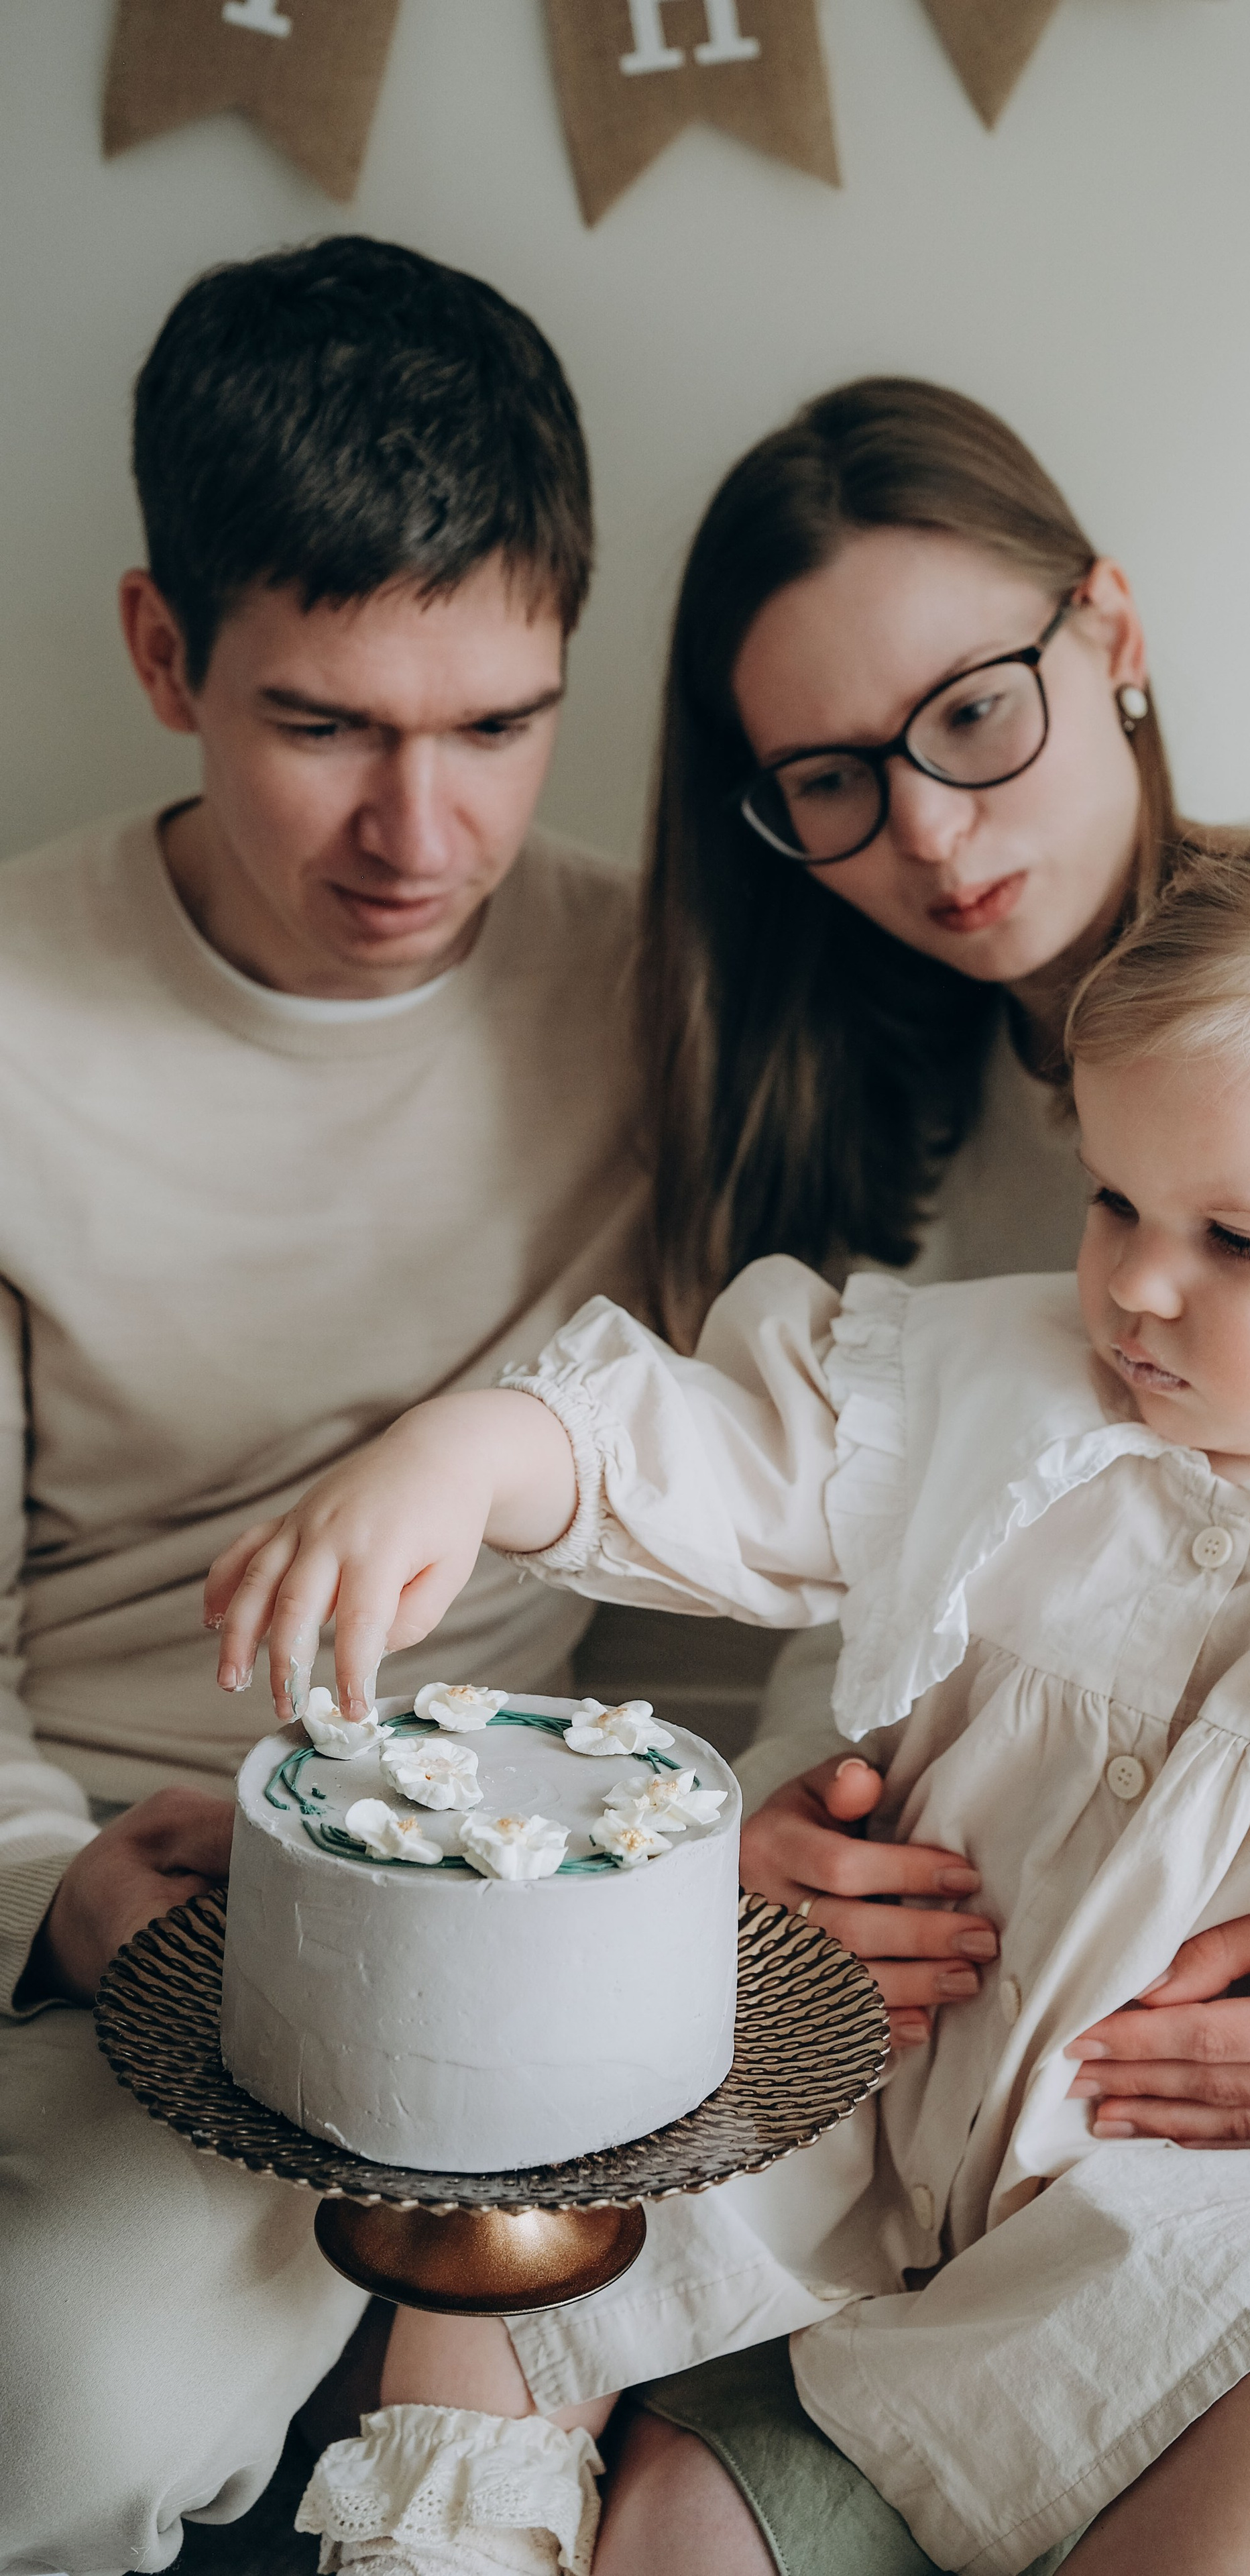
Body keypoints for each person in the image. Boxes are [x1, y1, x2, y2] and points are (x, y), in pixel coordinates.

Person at [209, 816, 1250, 2576]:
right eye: (1115, 1201)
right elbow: (723, 1457)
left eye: (1235, 1238)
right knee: (506, 2231)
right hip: (853, 2131)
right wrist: (478, 1450)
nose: (1138, 1285)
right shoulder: (1002, 1389)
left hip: (1207, 2214)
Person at [0, 237, 650, 2576]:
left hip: (543, 1923)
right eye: (326, 727)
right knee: (53, 2407)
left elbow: (776, 1511)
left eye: (498, 725)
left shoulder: (668, 998)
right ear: (163, 653)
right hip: (121, 1892)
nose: (425, 835)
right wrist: (47, 1881)